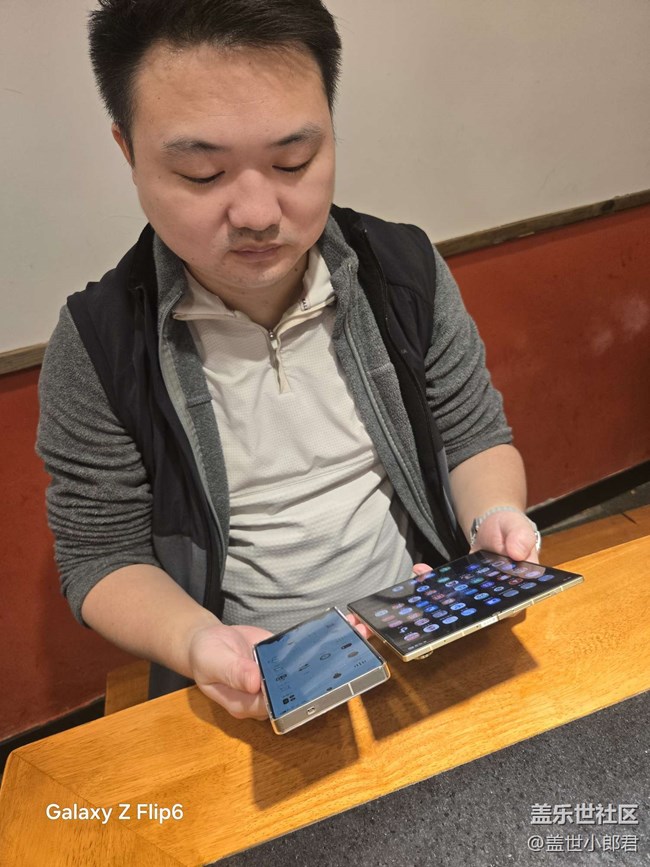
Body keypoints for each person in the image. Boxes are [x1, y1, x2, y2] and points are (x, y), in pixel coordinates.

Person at [37, 0, 540, 720]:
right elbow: (100, 556)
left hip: (423, 633)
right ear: (129, 151)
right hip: (249, 680)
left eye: (292, 162)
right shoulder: (100, 343)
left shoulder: (401, 272)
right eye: (202, 173)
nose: (258, 214)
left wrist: (494, 515)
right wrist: (199, 643)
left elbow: (473, 436)